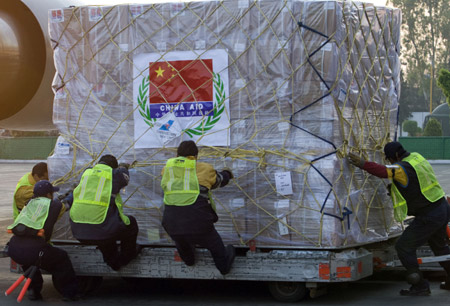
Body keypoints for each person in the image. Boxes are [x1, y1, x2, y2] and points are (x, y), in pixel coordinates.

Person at [348, 141, 450, 296]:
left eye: (389, 159)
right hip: (441, 208)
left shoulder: (401, 168)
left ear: (395, 156)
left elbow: (383, 171)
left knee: (404, 247)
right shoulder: (417, 157)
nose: (389, 162)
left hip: (429, 216)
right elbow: (415, 182)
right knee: (440, 248)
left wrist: (362, 163)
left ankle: (420, 286)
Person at [161, 140, 235, 275]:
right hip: (199, 224)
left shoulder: (167, 169)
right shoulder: (204, 169)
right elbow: (219, 181)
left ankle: (189, 259)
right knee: (215, 247)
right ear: (195, 156)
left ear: (178, 155)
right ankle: (223, 265)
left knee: (180, 238)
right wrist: (227, 174)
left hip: (171, 224)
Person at [6, 180, 79, 301]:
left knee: (29, 262)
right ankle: (69, 293)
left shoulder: (29, 203)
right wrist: (75, 191)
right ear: (49, 194)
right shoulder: (55, 206)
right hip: (34, 249)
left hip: (14, 248)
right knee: (61, 258)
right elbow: (67, 204)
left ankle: (34, 290)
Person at [69, 154, 140, 271]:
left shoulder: (87, 173)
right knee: (130, 223)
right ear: (113, 167)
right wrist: (123, 166)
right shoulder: (114, 174)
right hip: (101, 230)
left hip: (78, 232)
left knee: (106, 232)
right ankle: (127, 256)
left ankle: (113, 263)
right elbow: (124, 176)